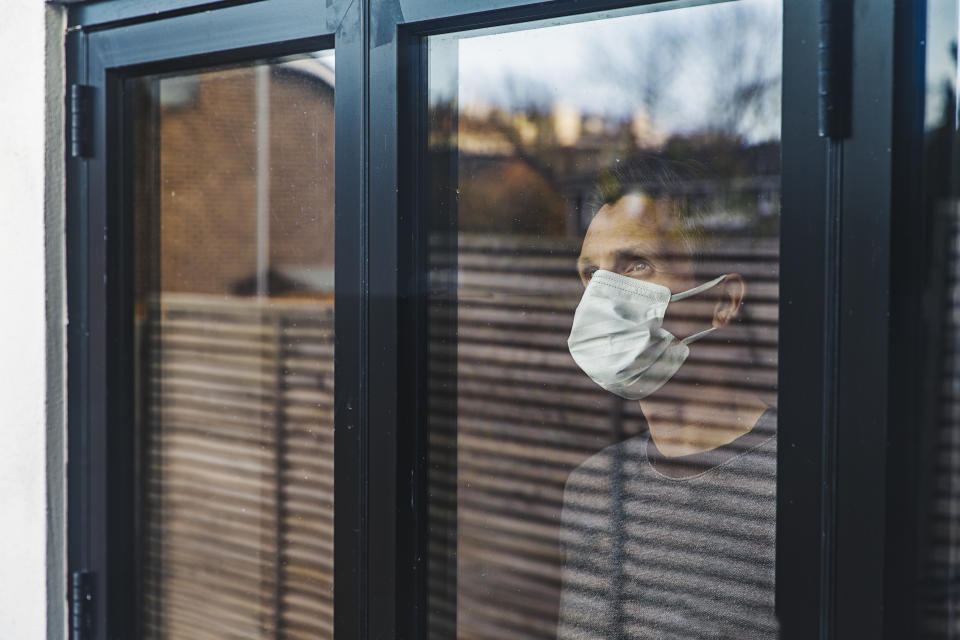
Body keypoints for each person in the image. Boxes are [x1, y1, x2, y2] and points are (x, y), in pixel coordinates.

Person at [557, 160, 778, 639]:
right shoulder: (592, 488)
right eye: (590, 274)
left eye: (636, 264)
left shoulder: (798, 486)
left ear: (723, 301)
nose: (602, 298)